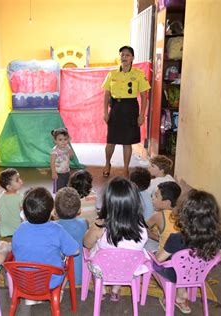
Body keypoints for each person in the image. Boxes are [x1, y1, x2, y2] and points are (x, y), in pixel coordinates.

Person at [154, 189, 221, 314]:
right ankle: (182, 294)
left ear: (184, 215)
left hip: (175, 275)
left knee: (153, 264)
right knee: (184, 264)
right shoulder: (218, 237)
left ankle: (174, 296)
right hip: (200, 273)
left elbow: (159, 260)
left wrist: (153, 255)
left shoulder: (176, 239)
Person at [83, 177, 149, 302]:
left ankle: (101, 289)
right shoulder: (142, 229)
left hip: (102, 269)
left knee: (97, 251)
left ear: (108, 202)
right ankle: (115, 289)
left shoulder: (100, 226)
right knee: (124, 254)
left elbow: (86, 244)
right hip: (130, 269)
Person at [12, 187, 78, 290]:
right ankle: (60, 291)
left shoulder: (20, 229)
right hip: (50, 282)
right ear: (52, 211)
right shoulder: (57, 230)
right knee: (66, 259)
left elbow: (15, 249)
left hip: (23, 280)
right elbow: (75, 251)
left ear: (24, 213)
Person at [102, 46, 151, 179]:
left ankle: (125, 169)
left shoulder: (139, 74)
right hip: (116, 108)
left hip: (131, 108)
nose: (124, 57)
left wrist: (142, 115)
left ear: (132, 58)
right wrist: (105, 112)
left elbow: (144, 96)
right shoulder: (112, 74)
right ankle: (107, 164)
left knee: (127, 142)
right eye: (122, 55)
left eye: (127, 55)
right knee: (110, 141)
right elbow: (106, 95)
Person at [54, 187, 88, 285]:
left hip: (59, 280)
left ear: (55, 210)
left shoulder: (53, 227)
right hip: (80, 278)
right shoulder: (84, 223)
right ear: (79, 210)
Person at [146, 182, 181, 252]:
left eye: (156, 196)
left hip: (163, 255)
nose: (152, 198)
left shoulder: (158, 215)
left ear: (167, 202)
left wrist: (150, 234)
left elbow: (142, 229)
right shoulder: (181, 212)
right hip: (178, 253)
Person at [0, 168, 24, 241]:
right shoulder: (19, 197)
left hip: (2, 232)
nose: (21, 181)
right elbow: (23, 214)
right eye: (17, 180)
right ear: (9, 187)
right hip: (16, 231)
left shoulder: (0, 196)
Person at [50, 128, 74, 193]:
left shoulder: (67, 147)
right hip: (58, 173)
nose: (63, 141)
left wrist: (70, 152)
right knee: (59, 189)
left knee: (67, 187)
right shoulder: (55, 151)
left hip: (67, 171)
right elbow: (52, 163)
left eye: (65, 139)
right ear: (55, 141)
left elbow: (71, 157)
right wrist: (53, 172)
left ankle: (65, 198)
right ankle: (58, 199)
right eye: (60, 140)